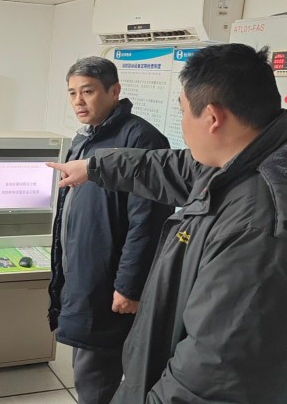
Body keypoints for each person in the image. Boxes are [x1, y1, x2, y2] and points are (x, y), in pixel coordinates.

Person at [48, 43, 287, 403]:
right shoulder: (240, 161)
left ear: (212, 117)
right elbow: (168, 167)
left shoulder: (257, 222)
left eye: (182, 112)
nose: (182, 125)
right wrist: (94, 166)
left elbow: (209, 371)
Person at [48, 56, 173, 404]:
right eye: (72, 93)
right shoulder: (86, 137)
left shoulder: (141, 139)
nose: (78, 101)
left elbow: (147, 222)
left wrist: (128, 286)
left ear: (114, 91)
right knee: (87, 368)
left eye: (87, 91)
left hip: (110, 282)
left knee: (97, 375)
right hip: (83, 273)